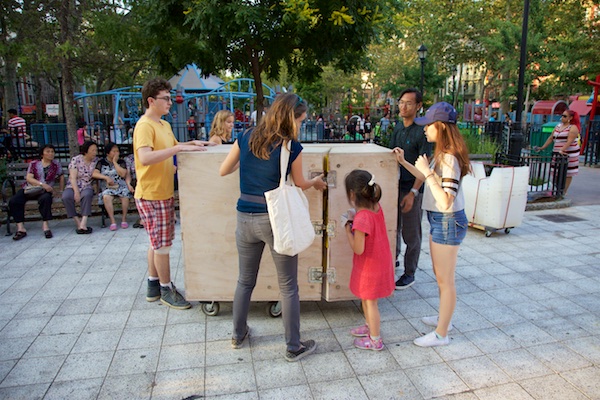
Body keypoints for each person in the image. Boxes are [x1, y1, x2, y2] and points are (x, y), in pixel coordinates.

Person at [219, 93, 327, 361]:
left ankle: (238, 335)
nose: (302, 124)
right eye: (301, 119)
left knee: (245, 280)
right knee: (288, 286)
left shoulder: (245, 137)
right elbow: (300, 182)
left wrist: (248, 165)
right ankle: (293, 347)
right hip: (275, 220)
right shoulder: (291, 147)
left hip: (244, 217)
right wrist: (316, 182)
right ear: (291, 117)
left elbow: (224, 170)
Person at [393, 102, 470, 347]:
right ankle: (443, 320)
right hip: (440, 220)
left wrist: (426, 173)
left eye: (429, 125)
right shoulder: (442, 155)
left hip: (447, 220)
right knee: (441, 277)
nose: (425, 129)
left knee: (445, 280)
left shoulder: (449, 159)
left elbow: (446, 200)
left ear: (441, 127)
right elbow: (426, 177)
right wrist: (406, 163)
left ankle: (441, 334)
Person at [134, 77, 211, 310]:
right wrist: (178, 148)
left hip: (163, 191)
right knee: (162, 245)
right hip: (151, 193)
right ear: (151, 100)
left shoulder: (163, 125)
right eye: (165, 99)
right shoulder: (145, 125)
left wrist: (193, 143)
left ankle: (153, 285)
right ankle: (167, 289)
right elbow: (145, 157)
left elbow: (173, 148)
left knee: (156, 242)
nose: (170, 102)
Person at [343, 170, 394, 351]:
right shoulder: (376, 206)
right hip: (380, 260)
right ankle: (369, 326)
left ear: (352, 194)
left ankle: (375, 339)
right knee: (367, 298)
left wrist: (348, 231)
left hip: (370, 266)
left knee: (370, 301)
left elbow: (358, 248)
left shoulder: (362, 218)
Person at [389, 88, 432, 289]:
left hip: (412, 189)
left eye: (408, 103)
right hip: (394, 186)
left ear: (418, 106)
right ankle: (393, 260)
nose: (403, 106)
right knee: (393, 228)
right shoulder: (397, 127)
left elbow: (425, 166)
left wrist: (413, 193)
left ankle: (409, 272)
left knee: (412, 233)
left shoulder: (422, 132)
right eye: (401, 102)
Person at [8, 144, 65, 240]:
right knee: (14, 201)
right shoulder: (34, 164)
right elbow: (29, 178)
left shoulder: (55, 164)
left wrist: (61, 190)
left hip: (45, 191)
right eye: (48, 151)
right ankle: (21, 228)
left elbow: (61, 176)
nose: (50, 154)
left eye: (52, 151)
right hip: (30, 188)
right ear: (42, 154)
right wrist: (42, 184)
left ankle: (45, 226)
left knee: (45, 199)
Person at [62, 141, 110, 234]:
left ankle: (83, 222)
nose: (95, 152)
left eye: (96, 150)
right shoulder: (76, 160)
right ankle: (77, 222)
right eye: (92, 150)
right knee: (66, 197)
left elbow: (96, 174)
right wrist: (76, 192)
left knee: (87, 195)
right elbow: (72, 177)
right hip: (73, 185)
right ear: (86, 150)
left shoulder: (96, 161)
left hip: (87, 185)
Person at [535, 110, 580, 196]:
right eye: (562, 115)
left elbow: (569, 141)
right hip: (557, 152)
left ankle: (563, 191)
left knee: (568, 172)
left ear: (570, 118)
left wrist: (562, 149)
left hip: (569, 152)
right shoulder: (558, 126)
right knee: (555, 171)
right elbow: (551, 138)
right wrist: (542, 147)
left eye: (565, 116)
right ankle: (557, 188)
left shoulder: (573, 127)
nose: (562, 118)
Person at [96, 142, 133, 230]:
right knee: (106, 196)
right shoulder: (101, 162)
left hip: (121, 186)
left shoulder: (121, 162)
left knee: (125, 195)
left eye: (117, 151)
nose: (116, 153)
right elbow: (94, 173)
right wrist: (105, 177)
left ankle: (124, 219)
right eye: (114, 151)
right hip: (108, 187)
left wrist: (115, 163)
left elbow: (123, 174)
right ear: (108, 153)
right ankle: (113, 221)